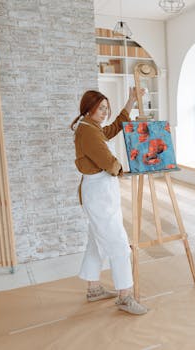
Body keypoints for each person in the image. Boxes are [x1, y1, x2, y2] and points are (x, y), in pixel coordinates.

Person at [70, 87, 147, 315]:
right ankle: (125, 296)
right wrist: (130, 168)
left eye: (106, 108)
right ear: (88, 109)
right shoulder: (88, 132)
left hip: (99, 192)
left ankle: (93, 288)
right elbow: (108, 161)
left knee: (96, 241)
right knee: (119, 245)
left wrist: (131, 101)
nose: (104, 112)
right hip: (99, 194)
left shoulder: (91, 127)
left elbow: (113, 128)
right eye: (100, 108)